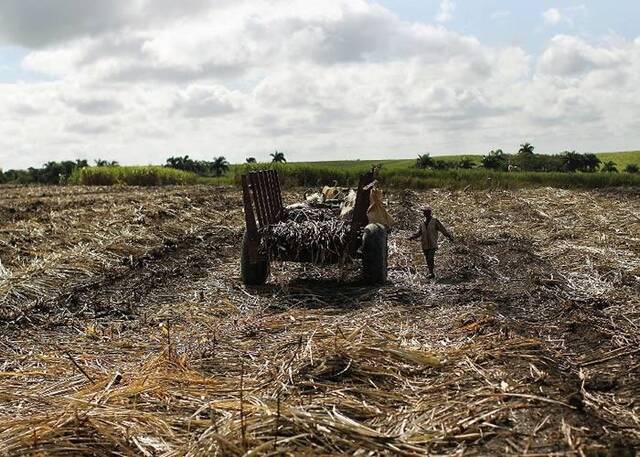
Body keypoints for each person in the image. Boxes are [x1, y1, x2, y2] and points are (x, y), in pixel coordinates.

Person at [408, 207, 454, 278]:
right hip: (424, 244)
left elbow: (442, 230)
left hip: (433, 243)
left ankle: (431, 273)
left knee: (430, 258)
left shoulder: (435, 221)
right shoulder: (422, 223)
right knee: (427, 259)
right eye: (424, 212)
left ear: (429, 213)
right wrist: (412, 237)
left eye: (426, 212)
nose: (424, 213)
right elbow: (419, 233)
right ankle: (431, 273)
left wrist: (449, 236)